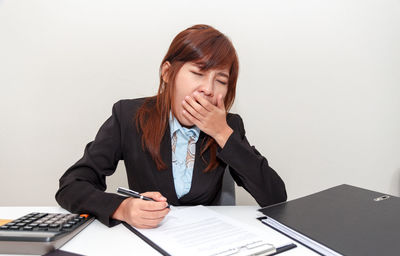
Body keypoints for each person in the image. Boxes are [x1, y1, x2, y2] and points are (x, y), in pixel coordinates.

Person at [55, 24, 287, 229]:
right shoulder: (128, 116)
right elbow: (71, 186)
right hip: (147, 243)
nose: (208, 88)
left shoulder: (229, 126)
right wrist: (122, 208)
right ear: (167, 73)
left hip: (207, 243)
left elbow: (276, 198)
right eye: (198, 73)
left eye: (221, 81)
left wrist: (222, 133)